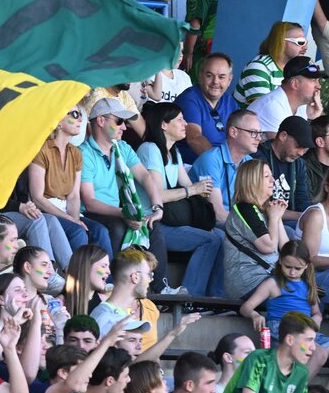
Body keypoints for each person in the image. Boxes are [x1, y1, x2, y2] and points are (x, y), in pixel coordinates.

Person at [136, 102, 222, 295]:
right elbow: (157, 195)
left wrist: (199, 191)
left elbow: (189, 187)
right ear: (163, 125)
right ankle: (190, 298)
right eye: (180, 120)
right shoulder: (150, 149)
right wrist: (193, 190)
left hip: (169, 220)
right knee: (210, 241)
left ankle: (216, 297)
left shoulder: (174, 151)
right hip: (150, 222)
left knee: (219, 236)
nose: (186, 124)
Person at [79, 98, 166, 255]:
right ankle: (114, 271)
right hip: (91, 214)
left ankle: (152, 273)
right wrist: (124, 213)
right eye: (119, 121)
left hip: (117, 212)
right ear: (101, 121)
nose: (124, 127)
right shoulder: (84, 153)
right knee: (118, 227)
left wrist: (157, 208)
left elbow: (145, 177)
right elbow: (90, 202)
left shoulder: (123, 147)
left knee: (153, 227)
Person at [29, 106, 113, 257]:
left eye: (80, 114)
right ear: (59, 120)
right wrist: (71, 220)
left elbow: (74, 196)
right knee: (78, 232)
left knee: (100, 231)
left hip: (66, 210)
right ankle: (78, 272)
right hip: (46, 211)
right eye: (74, 114)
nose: (80, 119)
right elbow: (37, 197)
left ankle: (105, 273)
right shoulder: (42, 149)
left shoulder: (76, 153)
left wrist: (74, 219)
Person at [241, 241, 329, 349]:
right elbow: (246, 307)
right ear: (280, 261)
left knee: (321, 349)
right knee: (311, 350)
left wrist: (317, 318)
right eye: (288, 267)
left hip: (305, 330)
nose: (292, 272)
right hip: (281, 330)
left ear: (306, 265)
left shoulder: (309, 285)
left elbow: (316, 312)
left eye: (297, 268)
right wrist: (254, 315)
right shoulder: (272, 284)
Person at [223, 159, 289, 301]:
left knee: (310, 296)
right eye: (266, 176)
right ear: (252, 181)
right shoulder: (244, 209)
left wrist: (277, 216)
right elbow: (268, 247)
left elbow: (286, 249)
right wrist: (274, 218)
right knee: (294, 299)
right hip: (248, 282)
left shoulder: (267, 209)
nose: (273, 180)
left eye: (272, 175)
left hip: (269, 277)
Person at [191, 108, 263, 222]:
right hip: (211, 223)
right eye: (253, 132)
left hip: (236, 221)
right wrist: (250, 228)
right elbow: (217, 212)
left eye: (260, 133)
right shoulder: (211, 160)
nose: (259, 138)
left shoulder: (250, 162)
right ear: (233, 132)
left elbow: (257, 206)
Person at [176, 52, 238, 163]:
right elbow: (194, 138)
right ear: (200, 75)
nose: (215, 82)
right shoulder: (189, 99)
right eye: (209, 75)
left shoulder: (230, 102)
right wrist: (221, 164)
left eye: (221, 77)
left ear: (229, 80)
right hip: (192, 166)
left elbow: (240, 136)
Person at [254, 116, 314, 221]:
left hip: (291, 221)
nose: (301, 153)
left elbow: (302, 200)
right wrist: (303, 217)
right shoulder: (258, 158)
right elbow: (262, 206)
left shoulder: (299, 164)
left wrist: (311, 218)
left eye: (305, 149)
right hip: (264, 220)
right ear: (283, 136)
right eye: (298, 146)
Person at [234, 21, 308, 106]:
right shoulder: (259, 67)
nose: (306, 47)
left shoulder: (294, 70)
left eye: (305, 42)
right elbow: (263, 109)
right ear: (281, 42)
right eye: (300, 42)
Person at [249, 57, 326, 136]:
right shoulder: (273, 105)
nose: (319, 86)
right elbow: (281, 143)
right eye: (314, 80)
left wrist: (312, 119)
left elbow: (302, 140)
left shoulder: (301, 106)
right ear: (295, 84)